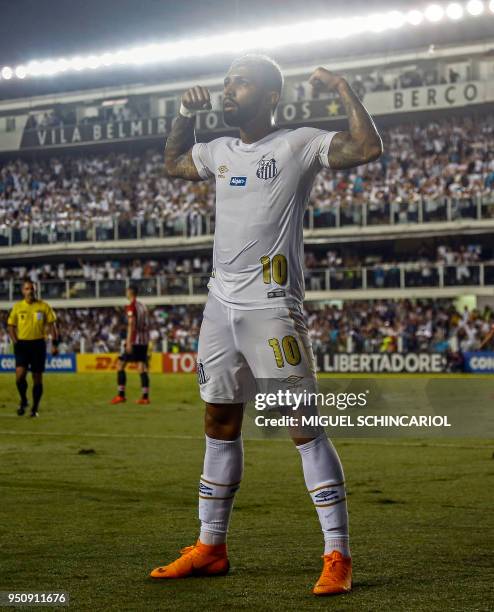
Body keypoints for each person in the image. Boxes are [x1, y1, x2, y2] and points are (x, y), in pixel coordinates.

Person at [150, 54, 382, 596]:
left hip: (272, 309)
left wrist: (345, 88)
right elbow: (174, 163)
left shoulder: (297, 143)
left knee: (302, 429)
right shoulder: (220, 151)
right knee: (219, 422)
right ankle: (210, 546)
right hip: (219, 308)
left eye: (242, 84)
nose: (229, 91)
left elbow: (367, 148)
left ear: (271, 96)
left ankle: (338, 555)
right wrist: (184, 114)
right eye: (228, 83)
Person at [7, 280, 58, 417]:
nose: (30, 291)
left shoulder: (43, 306)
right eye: (27, 289)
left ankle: (34, 408)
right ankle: (24, 400)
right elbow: (10, 326)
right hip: (22, 345)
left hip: (38, 345)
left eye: (32, 289)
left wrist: (54, 344)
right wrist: (16, 342)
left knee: (37, 377)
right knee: (19, 376)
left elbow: (52, 326)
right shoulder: (17, 307)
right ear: (23, 291)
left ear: (35, 290)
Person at [110, 285, 151, 405]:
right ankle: (145, 397)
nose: (126, 293)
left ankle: (121, 395)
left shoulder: (132, 306)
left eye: (127, 291)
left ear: (130, 292)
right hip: (144, 340)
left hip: (134, 340)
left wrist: (128, 342)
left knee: (120, 364)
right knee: (141, 367)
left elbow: (131, 324)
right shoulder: (143, 306)